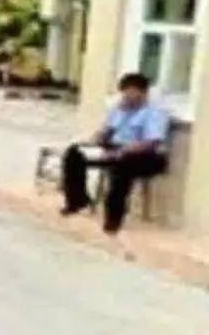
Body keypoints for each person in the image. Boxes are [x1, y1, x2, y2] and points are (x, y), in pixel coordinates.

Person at [61, 72, 170, 234]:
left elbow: (151, 143)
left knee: (121, 169)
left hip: (146, 155)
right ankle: (78, 200)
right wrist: (93, 141)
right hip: (116, 148)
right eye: (125, 94)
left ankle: (113, 219)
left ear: (143, 93)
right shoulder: (119, 109)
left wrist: (122, 152)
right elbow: (106, 131)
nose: (128, 98)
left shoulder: (154, 112)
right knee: (74, 153)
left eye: (132, 94)